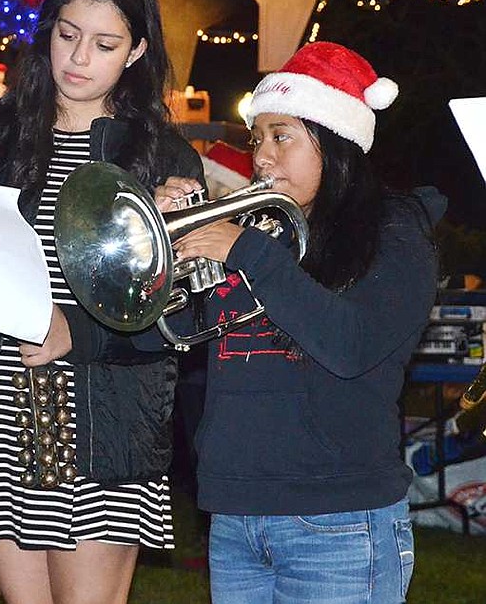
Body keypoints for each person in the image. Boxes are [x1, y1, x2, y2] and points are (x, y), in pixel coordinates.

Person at [0, 0, 204, 604]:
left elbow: (180, 319)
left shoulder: (158, 155)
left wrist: (77, 333)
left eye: (105, 44)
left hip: (102, 414)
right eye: (67, 34)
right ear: (46, 31)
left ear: (136, 53)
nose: (79, 57)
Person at [150, 41, 444, 603]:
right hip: (235, 516)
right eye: (257, 138)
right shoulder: (255, 234)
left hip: (339, 519)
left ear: (334, 144)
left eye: (281, 136)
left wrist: (249, 255)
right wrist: (165, 252)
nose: (261, 157)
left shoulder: (395, 232)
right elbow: (160, 334)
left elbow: (352, 346)